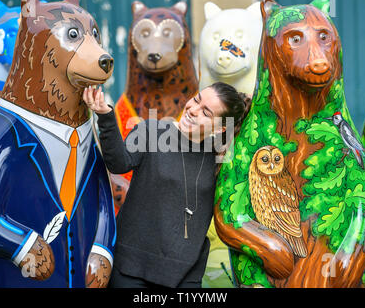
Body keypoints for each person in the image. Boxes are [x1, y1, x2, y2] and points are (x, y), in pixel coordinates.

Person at [83, 82, 249, 288]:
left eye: (206, 112)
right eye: (196, 100)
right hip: (131, 268)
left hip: (185, 275)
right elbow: (119, 163)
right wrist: (105, 115)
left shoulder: (222, 158)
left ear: (221, 127)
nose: (193, 110)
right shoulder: (152, 131)